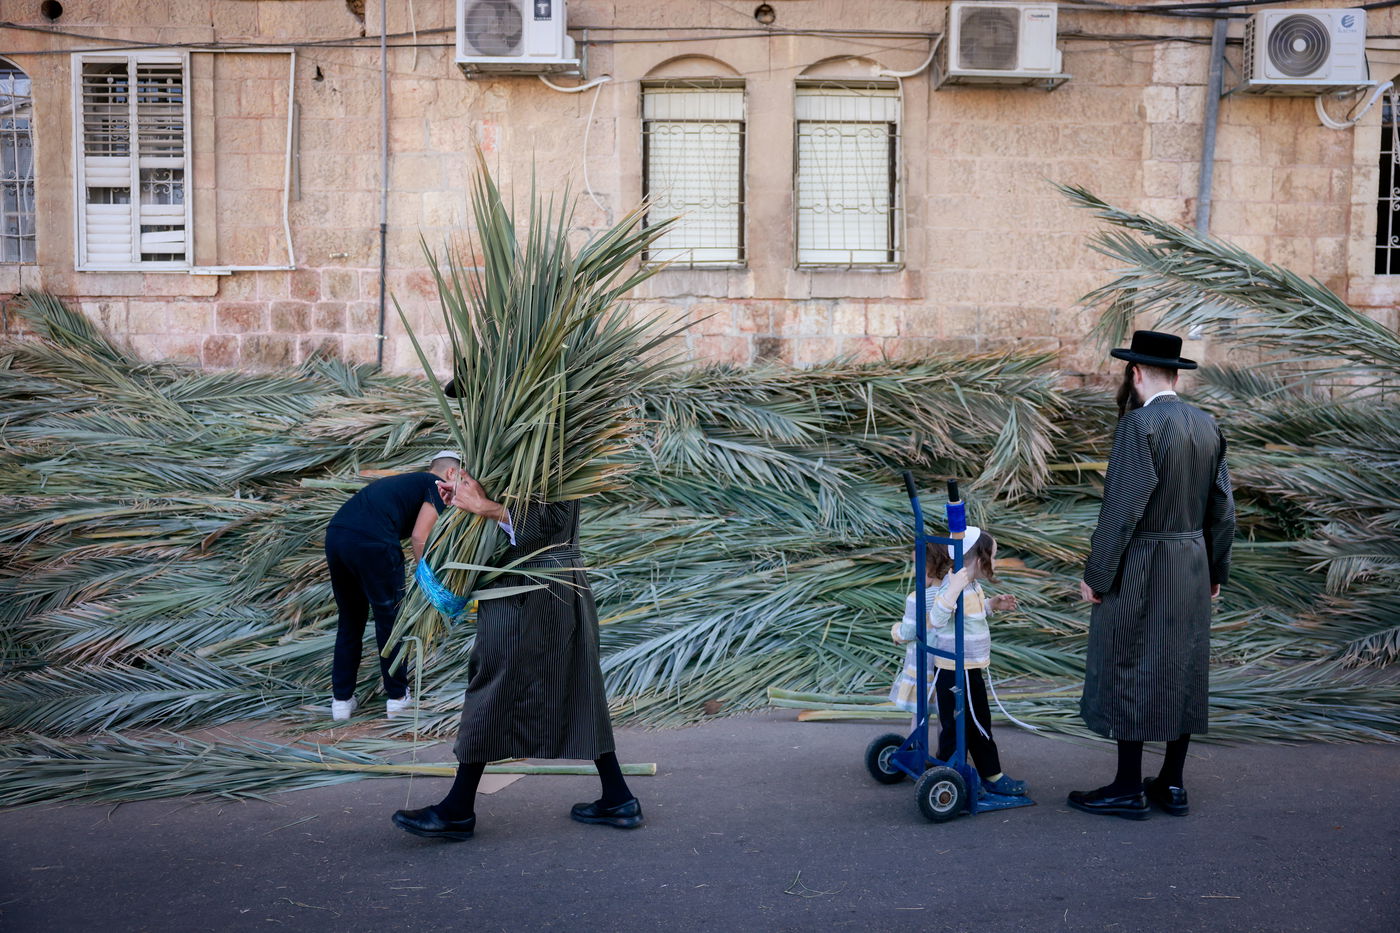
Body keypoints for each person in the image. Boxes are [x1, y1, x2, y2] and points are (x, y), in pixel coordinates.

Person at [391, 469, 640, 841]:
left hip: (531, 590)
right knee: (575, 686)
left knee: (492, 684)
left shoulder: (553, 450)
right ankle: (618, 797)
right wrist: (468, 499)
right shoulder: (543, 450)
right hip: (551, 588)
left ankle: (457, 811)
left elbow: (547, 523)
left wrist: (486, 506)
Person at [1070, 330, 1235, 820]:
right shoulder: (1207, 425)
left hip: (1144, 564)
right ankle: (1173, 784)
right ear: (1175, 373)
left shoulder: (1138, 427)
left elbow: (1121, 512)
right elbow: (1224, 510)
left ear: (1135, 372)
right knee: (1183, 664)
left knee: (1129, 663)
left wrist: (1097, 576)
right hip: (1190, 563)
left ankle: (1126, 787)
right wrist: (1215, 568)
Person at [889, 526, 1026, 797]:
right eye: (994, 557)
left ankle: (947, 765)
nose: (995, 563)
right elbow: (938, 618)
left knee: (958, 721)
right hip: (955, 668)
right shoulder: (953, 586)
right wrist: (952, 590)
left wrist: (993, 605)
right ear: (978, 559)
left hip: (969, 665)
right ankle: (991, 774)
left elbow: (968, 615)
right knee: (975, 721)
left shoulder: (972, 586)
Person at [325, 451, 460, 721]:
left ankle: (341, 701)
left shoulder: (405, 482)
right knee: (390, 621)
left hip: (337, 537)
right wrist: (427, 579)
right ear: (451, 474)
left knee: (351, 620)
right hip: (373, 543)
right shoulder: (435, 487)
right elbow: (419, 536)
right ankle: (398, 699)